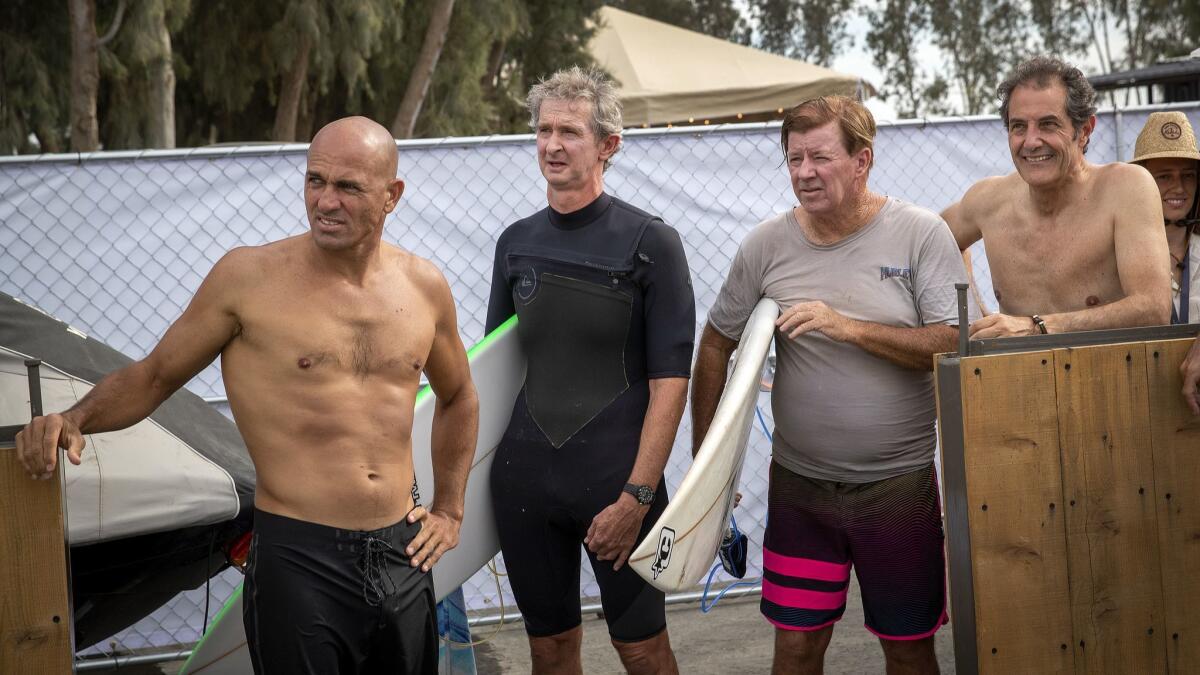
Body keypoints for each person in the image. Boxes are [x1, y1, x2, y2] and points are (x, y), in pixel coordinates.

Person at [15, 117, 479, 675]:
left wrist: (450, 510)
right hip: (299, 558)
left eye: (348, 187)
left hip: (403, 550)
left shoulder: (423, 286)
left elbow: (460, 398)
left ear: (391, 196)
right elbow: (155, 375)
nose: (324, 201)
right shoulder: (248, 279)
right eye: (315, 181)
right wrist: (74, 417)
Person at [692, 95, 969, 675]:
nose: (804, 173)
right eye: (793, 160)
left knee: (909, 646)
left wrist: (848, 328)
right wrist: (706, 465)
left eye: (820, 157)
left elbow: (950, 343)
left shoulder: (921, 234)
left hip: (898, 490)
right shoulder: (766, 245)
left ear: (862, 159)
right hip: (801, 495)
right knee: (795, 646)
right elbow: (716, 342)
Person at [485, 67, 694, 675]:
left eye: (570, 131)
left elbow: (669, 384)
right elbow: (494, 373)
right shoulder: (515, 242)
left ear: (608, 145)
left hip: (616, 483)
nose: (552, 144)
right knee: (548, 649)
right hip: (524, 483)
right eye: (544, 129)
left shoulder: (652, 242)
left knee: (641, 646)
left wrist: (638, 495)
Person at [942, 55, 1172, 337]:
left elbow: (1154, 308)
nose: (1031, 141)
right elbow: (929, 242)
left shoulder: (1125, 189)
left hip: (1113, 376)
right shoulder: (987, 200)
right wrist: (977, 314)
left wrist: (1037, 326)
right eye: (1018, 127)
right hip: (1018, 379)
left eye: (1048, 124)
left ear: (1084, 130)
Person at [1129, 110, 1200, 412]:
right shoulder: (1119, 255)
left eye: (1188, 176)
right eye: (1163, 176)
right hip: (1140, 407)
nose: (1179, 188)